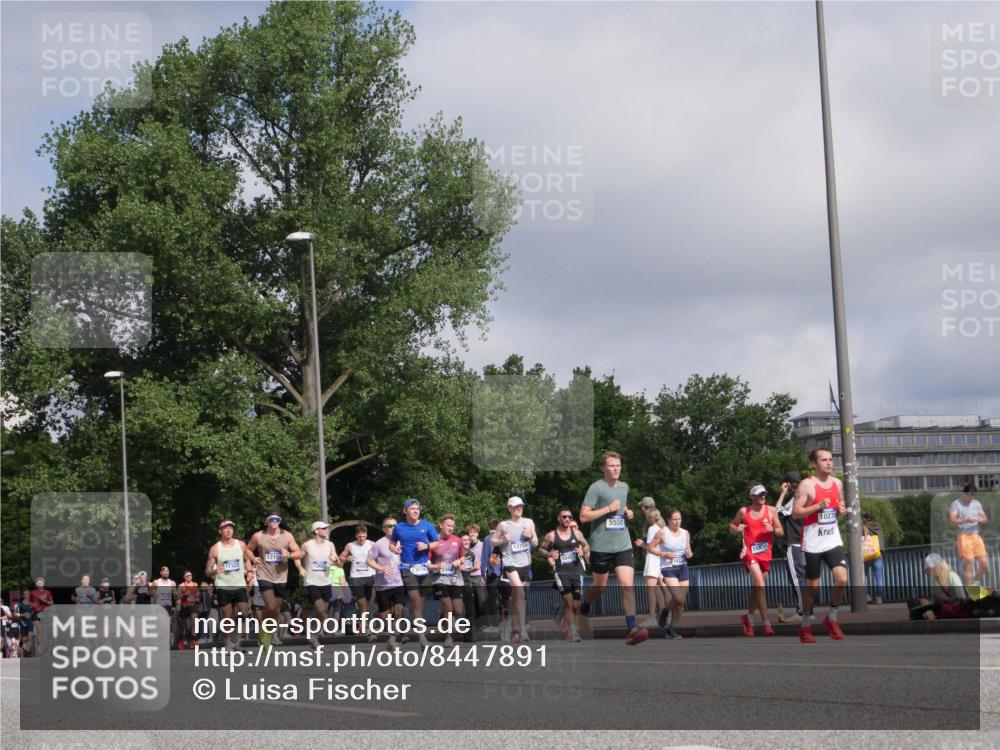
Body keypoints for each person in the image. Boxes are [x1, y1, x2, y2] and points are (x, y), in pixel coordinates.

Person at [579, 451, 647, 645]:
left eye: (618, 465)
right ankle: (583, 609)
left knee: (627, 585)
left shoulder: (624, 487)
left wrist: (627, 512)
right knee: (600, 587)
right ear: (603, 468)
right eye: (611, 465)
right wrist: (608, 509)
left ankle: (631, 629)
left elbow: (621, 506)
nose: (616, 469)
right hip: (601, 545)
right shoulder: (596, 488)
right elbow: (583, 516)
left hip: (622, 544)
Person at [792, 449, 848, 644]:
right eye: (824, 460)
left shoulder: (837, 483)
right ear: (814, 464)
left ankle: (832, 617)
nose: (829, 463)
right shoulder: (807, 485)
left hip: (832, 540)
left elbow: (839, 502)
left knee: (842, 578)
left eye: (831, 459)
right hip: (813, 543)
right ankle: (805, 624)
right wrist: (817, 506)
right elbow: (795, 513)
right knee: (813, 588)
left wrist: (840, 509)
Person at [731, 485, 783, 637]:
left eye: (764, 494)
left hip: (765, 553)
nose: (763, 497)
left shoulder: (771, 511)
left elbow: (781, 532)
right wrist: (736, 529)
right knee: (760, 584)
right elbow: (732, 526)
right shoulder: (744, 511)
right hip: (749, 552)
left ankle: (748, 617)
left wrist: (773, 529)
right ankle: (767, 624)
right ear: (751, 497)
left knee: (756, 588)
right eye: (759, 494)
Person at [248, 510, 302, 650]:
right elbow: (247, 550)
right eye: (271, 519)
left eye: (276, 519)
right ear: (266, 521)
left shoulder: (287, 536)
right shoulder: (258, 536)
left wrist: (289, 554)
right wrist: (253, 559)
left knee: (276, 610)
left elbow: (299, 553)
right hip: (264, 575)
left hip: (281, 577)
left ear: (279, 521)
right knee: (271, 606)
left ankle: (270, 632)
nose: (274, 521)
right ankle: (264, 631)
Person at [391, 498, 440, 648]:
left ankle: (404, 619)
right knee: (416, 601)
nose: (416, 511)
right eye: (412, 508)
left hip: (423, 569)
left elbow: (437, 543)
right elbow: (392, 543)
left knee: (418, 606)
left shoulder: (427, 525)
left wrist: (426, 546)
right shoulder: (399, 527)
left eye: (417, 509)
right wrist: (394, 548)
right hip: (407, 568)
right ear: (405, 511)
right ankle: (423, 639)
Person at [205, 519, 258, 651]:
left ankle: (235, 640)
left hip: (239, 584)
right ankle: (228, 643)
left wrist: (249, 572)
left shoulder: (241, 544)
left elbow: (246, 560)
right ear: (220, 531)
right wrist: (214, 571)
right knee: (227, 615)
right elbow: (207, 571)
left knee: (244, 613)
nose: (228, 530)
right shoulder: (215, 548)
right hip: (223, 585)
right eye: (225, 528)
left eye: (231, 528)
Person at [491, 497, 538, 644]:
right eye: (515, 506)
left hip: (524, 564)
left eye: (520, 506)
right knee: (520, 594)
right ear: (509, 509)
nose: (518, 508)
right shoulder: (503, 525)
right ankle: (523, 630)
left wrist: (530, 537)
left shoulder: (529, 522)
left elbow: (536, 543)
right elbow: (493, 541)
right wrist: (503, 540)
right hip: (510, 564)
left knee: (515, 599)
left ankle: (507, 629)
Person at [540, 507, 589, 642]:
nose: (567, 519)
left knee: (576, 605)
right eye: (564, 517)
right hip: (561, 572)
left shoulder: (577, 533)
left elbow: (586, 545)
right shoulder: (551, 536)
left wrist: (583, 551)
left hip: (577, 572)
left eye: (569, 517)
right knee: (568, 601)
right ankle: (573, 632)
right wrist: (549, 554)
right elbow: (541, 549)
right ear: (559, 519)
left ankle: (569, 622)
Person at [296, 520, 338, 648]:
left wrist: (335, 559)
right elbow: (297, 557)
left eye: (326, 528)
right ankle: (314, 631)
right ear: (316, 531)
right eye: (323, 528)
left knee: (322, 612)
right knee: (320, 610)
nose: (326, 530)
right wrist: (300, 568)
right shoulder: (307, 545)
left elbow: (335, 558)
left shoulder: (330, 544)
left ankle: (313, 634)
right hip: (312, 581)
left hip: (326, 581)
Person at [369, 516, 406, 649]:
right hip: (383, 585)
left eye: (395, 526)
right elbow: (369, 560)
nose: (392, 528)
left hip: (398, 582)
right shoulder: (378, 544)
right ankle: (376, 615)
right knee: (386, 616)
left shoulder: (402, 542)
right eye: (389, 526)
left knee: (398, 610)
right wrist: (381, 568)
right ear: (384, 529)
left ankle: (392, 639)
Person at [656, 508, 693, 639]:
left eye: (679, 519)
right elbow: (650, 547)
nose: (677, 522)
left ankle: (671, 628)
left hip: (682, 568)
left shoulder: (685, 533)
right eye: (674, 519)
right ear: (669, 520)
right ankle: (665, 612)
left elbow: (688, 550)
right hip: (668, 568)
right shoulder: (663, 532)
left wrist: (689, 553)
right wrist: (663, 554)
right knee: (679, 598)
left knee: (681, 603)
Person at [431, 515, 466, 646]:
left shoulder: (458, 540)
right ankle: (448, 637)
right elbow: (426, 562)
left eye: (452, 526)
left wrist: (460, 561)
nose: (450, 528)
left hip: (455, 578)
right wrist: (436, 566)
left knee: (457, 610)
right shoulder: (434, 541)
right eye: (448, 525)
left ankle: (443, 618)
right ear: (441, 525)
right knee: (448, 606)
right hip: (439, 578)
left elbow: (464, 557)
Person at [775, 471, 805, 623]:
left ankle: (802, 612)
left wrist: (782, 493)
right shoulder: (806, 496)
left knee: (796, 578)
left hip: (793, 542)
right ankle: (807, 610)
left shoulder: (795, 498)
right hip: (805, 542)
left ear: (787, 483)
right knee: (803, 577)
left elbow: (775, 512)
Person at [634, 504, 668, 631]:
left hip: (652, 559)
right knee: (658, 588)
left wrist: (641, 544)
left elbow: (650, 547)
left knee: (650, 590)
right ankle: (663, 617)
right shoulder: (662, 528)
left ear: (649, 518)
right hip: (660, 559)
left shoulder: (652, 529)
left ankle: (652, 617)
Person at [908, 553, 970, 620]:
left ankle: (929, 616)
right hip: (939, 605)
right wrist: (927, 602)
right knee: (913, 603)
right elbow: (936, 598)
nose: (928, 572)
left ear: (937, 567)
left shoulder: (952, 576)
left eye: (929, 569)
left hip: (952, 607)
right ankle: (926, 616)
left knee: (944, 608)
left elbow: (962, 599)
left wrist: (947, 601)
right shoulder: (933, 578)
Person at [950, 485, 989, 588]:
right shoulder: (956, 504)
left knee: (984, 563)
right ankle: (970, 588)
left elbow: (984, 518)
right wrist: (966, 520)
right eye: (971, 495)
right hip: (963, 536)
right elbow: (953, 520)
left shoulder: (977, 504)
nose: (973, 497)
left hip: (976, 535)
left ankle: (975, 582)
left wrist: (981, 519)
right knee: (969, 561)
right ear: (965, 494)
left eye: (974, 495)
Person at [340, 525, 375, 627]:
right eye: (360, 537)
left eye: (364, 536)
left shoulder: (372, 544)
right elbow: (341, 557)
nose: (362, 539)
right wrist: (347, 559)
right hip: (356, 577)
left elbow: (381, 555)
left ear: (366, 535)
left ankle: (353, 620)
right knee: (362, 603)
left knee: (368, 604)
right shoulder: (350, 545)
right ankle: (365, 627)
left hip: (370, 576)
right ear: (356, 536)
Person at [460, 530, 482, 641]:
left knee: (470, 610)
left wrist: (475, 568)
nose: (466, 542)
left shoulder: (470, 554)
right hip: (456, 584)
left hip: (467, 584)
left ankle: (469, 635)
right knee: (456, 610)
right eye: (464, 540)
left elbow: (467, 569)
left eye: (468, 540)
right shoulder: (455, 553)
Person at [150, 566, 178, 647]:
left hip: (168, 606)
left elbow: (175, 595)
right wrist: (153, 593)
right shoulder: (156, 582)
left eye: (167, 571)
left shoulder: (172, 583)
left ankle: (163, 643)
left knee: (166, 625)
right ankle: (162, 643)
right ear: (161, 573)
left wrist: (179, 595)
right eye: (164, 571)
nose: (166, 572)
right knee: (162, 624)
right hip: (160, 606)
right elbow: (151, 593)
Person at [862, 512, 885, 604]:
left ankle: (866, 597)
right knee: (879, 577)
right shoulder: (878, 528)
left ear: (865, 519)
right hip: (877, 554)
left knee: (863, 576)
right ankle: (879, 598)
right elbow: (881, 540)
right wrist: (882, 551)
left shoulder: (863, 528)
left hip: (866, 554)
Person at [29, 577, 53, 654]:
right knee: (39, 631)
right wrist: (32, 605)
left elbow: (51, 602)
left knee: (44, 631)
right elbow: (29, 602)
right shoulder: (33, 593)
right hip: (36, 613)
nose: (40, 584)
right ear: (36, 584)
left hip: (45, 613)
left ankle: (45, 647)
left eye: (41, 582)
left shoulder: (47, 592)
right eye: (38, 582)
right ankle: (40, 649)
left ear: (43, 583)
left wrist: (44, 600)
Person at [177, 571, 200, 649]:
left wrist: (197, 595)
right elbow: (177, 597)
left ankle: (194, 641)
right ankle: (181, 641)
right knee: (182, 625)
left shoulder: (195, 584)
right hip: (184, 606)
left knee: (195, 621)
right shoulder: (181, 585)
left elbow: (198, 595)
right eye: (187, 576)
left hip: (193, 606)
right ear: (184, 577)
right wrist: (183, 594)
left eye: (190, 575)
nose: (189, 576)